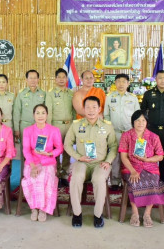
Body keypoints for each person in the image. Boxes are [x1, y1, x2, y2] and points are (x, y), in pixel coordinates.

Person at [64, 96, 117, 228]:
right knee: (76, 178)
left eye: (94, 107)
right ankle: (77, 214)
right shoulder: (76, 125)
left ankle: (98, 215)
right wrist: (78, 157)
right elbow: (67, 145)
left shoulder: (107, 126)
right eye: (88, 107)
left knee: (99, 179)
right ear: (83, 109)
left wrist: (108, 162)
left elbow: (114, 146)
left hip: (100, 163)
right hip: (82, 162)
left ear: (99, 109)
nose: (91, 110)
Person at [119, 109, 164, 227]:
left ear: (147, 122)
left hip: (150, 166)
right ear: (133, 122)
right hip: (131, 166)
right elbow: (123, 157)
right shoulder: (126, 135)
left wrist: (147, 160)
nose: (140, 123)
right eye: (137, 120)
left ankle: (147, 213)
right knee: (134, 180)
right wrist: (133, 171)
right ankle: (135, 213)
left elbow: (160, 156)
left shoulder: (153, 136)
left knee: (152, 181)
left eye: (143, 120)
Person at [21, 104, 63, 222]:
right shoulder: (28, 130)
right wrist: (33, 166)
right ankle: (34, 207)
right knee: (31, 178)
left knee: (44, 177)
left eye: (43, 112)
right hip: (32, 162)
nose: (40, 115)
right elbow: (26, 150)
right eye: (37, 113)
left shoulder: (54, 130)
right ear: (33, 115)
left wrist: (49, 154)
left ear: (47, 115)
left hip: (48, 162)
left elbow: (59, 148)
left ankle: (43, 209)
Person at [104, 73, 140, 190]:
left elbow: (137, 116)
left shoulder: (133, 98)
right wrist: (109, 131)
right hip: (115, 132)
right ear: (115, 83)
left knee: (130, 157)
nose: (121, 84)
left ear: (128, 83)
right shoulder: (109, 97)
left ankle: (129, 179)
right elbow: (106, 115)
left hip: (130, 132)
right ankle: (115, 181)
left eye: (124, 81)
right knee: (115, 157)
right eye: (118, 81)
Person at [45, 68, 75, 187]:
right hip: (55, 126)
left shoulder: (71, 93)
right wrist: (49, 129)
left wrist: (73, 125)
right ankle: (56, 174)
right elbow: (49, 112)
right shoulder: (50, 94)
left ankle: (65, 174)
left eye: (64, 77)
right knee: (55, 151)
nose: (62, 79)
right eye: (59, 77)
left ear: (66, 79)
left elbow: (73, 111)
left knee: (68, 150)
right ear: (55, 79)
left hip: (69, 125)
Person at [13, 70, 46, 144]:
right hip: (24, 126)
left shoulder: (43, 93)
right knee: (25, 148)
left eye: (35, 78)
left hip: (39, 125)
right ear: (26, 80)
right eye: (30, 78)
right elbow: (16, 112)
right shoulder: (21, 94)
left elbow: (46, 111)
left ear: (38, 79)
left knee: (39, 148)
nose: (33, 80)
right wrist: (16, 129)